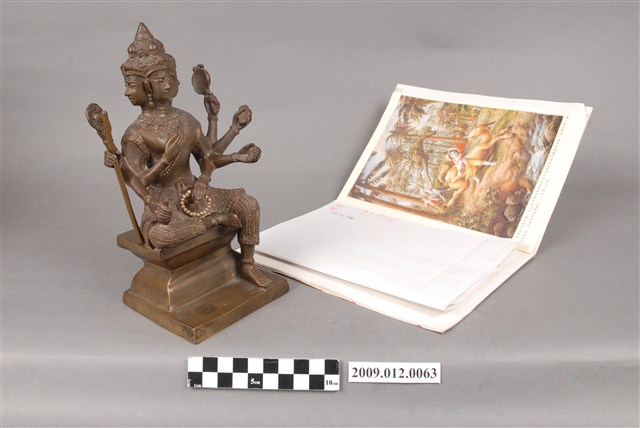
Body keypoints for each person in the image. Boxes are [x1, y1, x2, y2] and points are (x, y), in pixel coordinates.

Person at [107, 23, 271, 288]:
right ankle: (214, 221)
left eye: (172, 77)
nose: (170, 84)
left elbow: (208, 158)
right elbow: (136, 180)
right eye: (161, 80)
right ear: (146, 86)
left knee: (248, 205)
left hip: (196, 193)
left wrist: (233, 150)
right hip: (163, 202)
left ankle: (247, 265)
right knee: (162, 236)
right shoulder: (135, 133)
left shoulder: (186, 120)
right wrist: (163, 162)